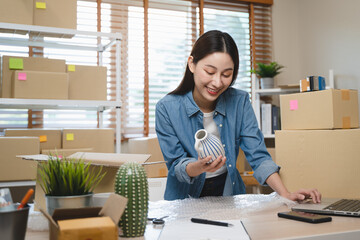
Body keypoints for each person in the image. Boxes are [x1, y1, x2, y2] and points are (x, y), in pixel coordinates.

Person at [155, 30, 321, 202]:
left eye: (226, 74)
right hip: (184, 198)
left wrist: (286, 194)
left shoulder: (239, 101)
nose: (218, 82)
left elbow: (258, 155)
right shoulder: (166, 108)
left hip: (228, 192)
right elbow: (176, 165)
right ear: (191, 64)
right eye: (210, 72)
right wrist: (199, 167)